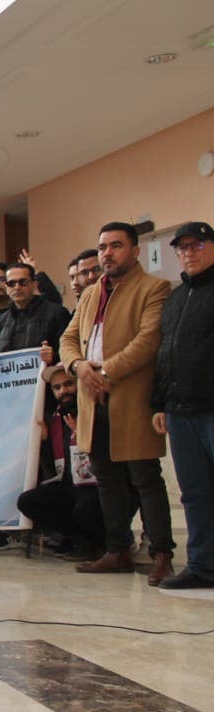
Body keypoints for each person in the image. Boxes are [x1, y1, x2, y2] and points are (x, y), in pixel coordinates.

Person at [59, 221, 174, 582]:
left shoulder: (155, 288)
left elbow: (148, 341)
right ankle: (117, 550)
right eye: (103, 246)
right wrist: (78, 367)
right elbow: (68, 338)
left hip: (131, 399)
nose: (107, 253)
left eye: (116, 246)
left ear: (135, 250)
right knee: (106, 478)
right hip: (93, 400)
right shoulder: (92, 293)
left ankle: (161, 554)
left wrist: (104, 373)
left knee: (144, 478)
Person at [153, 221, 214, 590]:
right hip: (179, 410)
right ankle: (202, 565)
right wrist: (158, 403)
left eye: (197, 245)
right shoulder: (175, 298)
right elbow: (165, 354)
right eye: (183, 247)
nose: (189, 252)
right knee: (194, 491)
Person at [14, 363, 103, 561]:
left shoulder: (95, 410)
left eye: (68, 384)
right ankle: (76, 537)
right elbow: (53, 469)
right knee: (28, 501)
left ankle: (100, 542)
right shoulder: (54, 419)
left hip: (100, 485)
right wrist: (45, 442)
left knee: (85, 507)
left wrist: (86, 438)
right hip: (69, 485)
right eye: (57, 387)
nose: (63, 391)